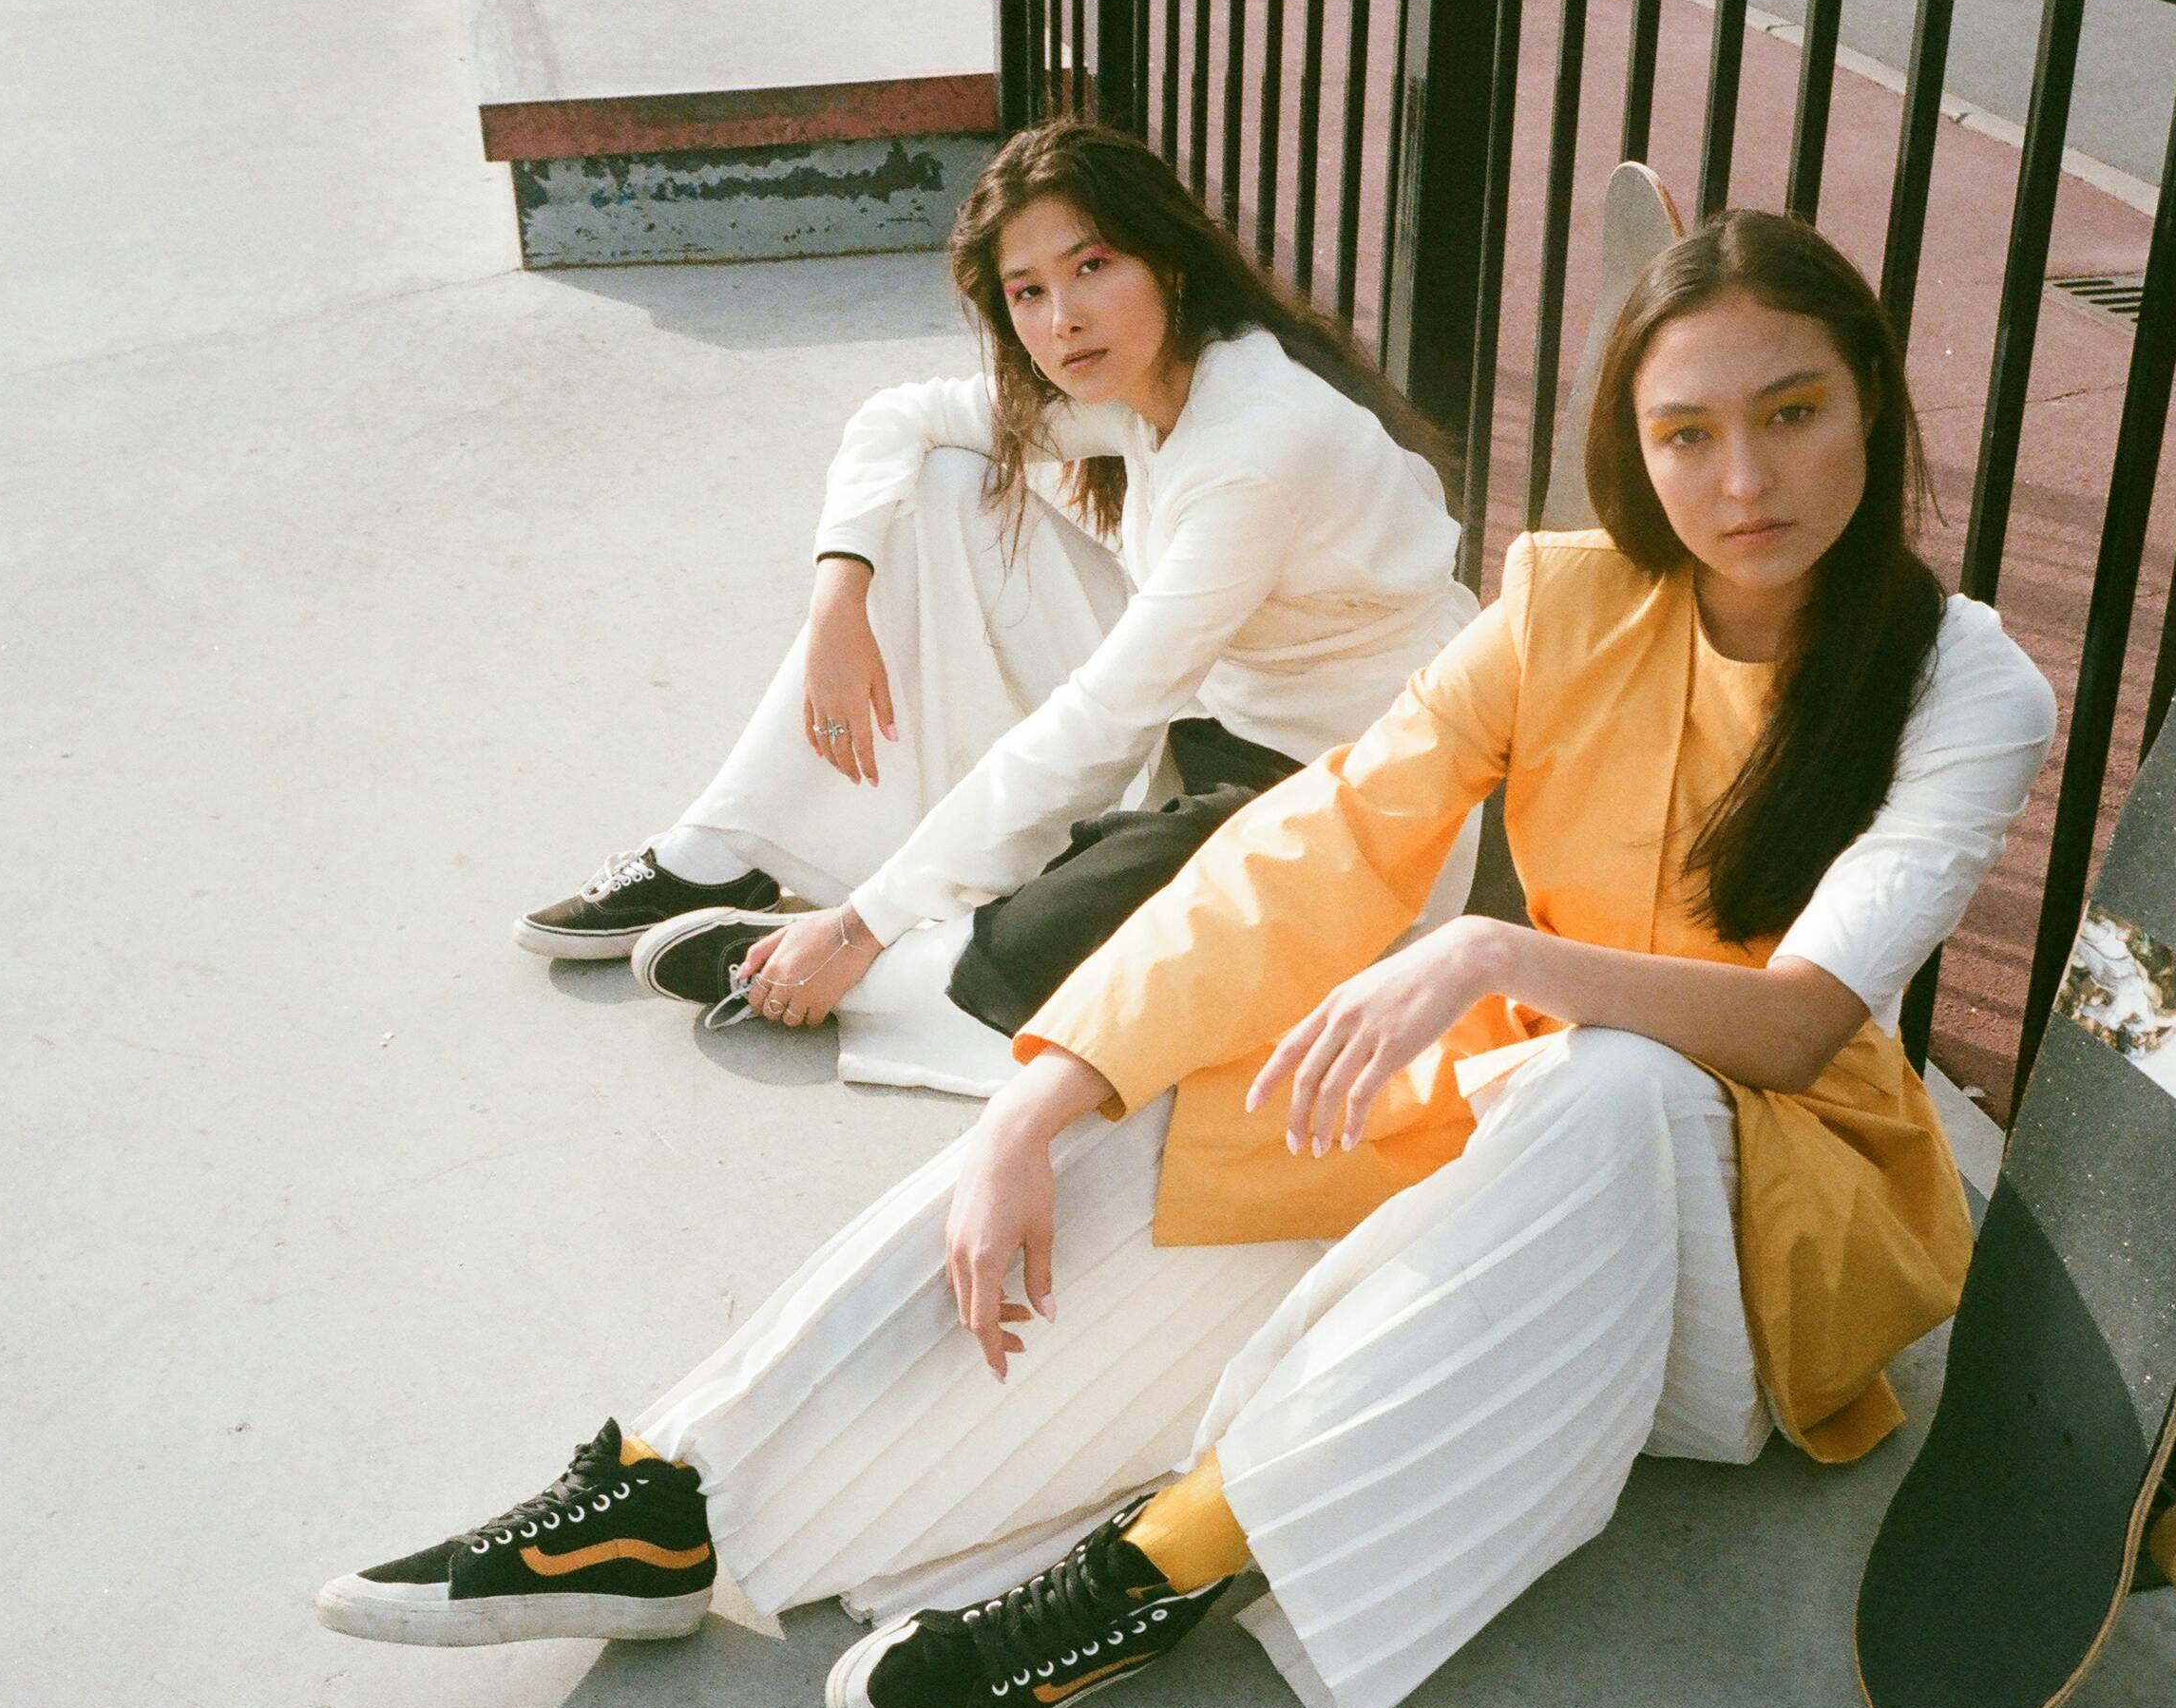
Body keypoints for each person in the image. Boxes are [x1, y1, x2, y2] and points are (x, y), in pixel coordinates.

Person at [319, 209, 2059, 1708]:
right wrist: (1047, 1085)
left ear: (1871, 410)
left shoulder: (1959, 681)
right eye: (1684, 432)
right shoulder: (1566, 604)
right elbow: (1312, 839)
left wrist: (1489, 950)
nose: (1741, 477)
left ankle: (1157, 1568)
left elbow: (1797, 1021)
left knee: (1612, 1079)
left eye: (1791, 412)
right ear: (1632, 448)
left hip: (1746, 1259)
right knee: (1162, 1104)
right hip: (1507, 1154)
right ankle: (671, 1493)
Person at [512, 119, 1477, 1097]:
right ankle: (730, 851)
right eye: (1027, 291)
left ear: (1168, 262)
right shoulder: (1150, 382)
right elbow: (901, 417)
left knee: (1127, 921)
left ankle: (871, 958)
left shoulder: (1257, 445)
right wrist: (838, 597)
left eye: (1091, 265)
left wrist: (863, 924)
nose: (1062, 317)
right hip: (1211, 711)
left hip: (1346, 785)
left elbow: (1103, 720)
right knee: (939, 485)